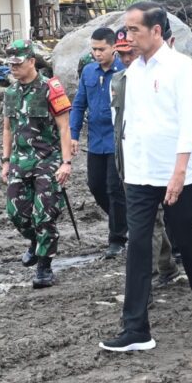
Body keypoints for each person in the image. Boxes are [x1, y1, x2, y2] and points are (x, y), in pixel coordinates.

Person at [100, 2, 192, 352]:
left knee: (184, 236)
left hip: (174, 173)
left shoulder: (182, 69)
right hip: (140, 174)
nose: (128, 36)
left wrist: (180, 172)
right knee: (138, 245)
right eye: (127, 29)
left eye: (134, 30)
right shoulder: (133, 71)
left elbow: (187, 124)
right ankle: (136, 328)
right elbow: (130, 125)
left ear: (156, 31)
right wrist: (128, 172)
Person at [1, 39, 73, 289]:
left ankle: (44, 267)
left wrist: (66, 163)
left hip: (48, 161)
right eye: (10, 64)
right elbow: (8, 128)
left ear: (32, 61)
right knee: (16, 213)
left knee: (44, 215)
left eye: (18, 63)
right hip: (20, 162)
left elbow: (65, 127)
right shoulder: (10, 92)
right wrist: (5, 161)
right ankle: (34, 243)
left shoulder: (51, 88)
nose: (13, 68)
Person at [110, 28, 180, 287]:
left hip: (157, 161)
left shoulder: (163, 74)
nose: (126, 59)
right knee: (150, 221)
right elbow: (118, 125)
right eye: (121, 54)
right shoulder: (118, 80)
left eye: (130, 53)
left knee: (150, 222)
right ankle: (166, 265)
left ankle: (145, 281)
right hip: (129, 160)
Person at [70, 28, 126, 259]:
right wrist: (73, 134)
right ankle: (123, 221)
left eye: (101, 49)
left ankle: (117, 238)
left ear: (113, 47)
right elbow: (79, 104)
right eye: (94, 49)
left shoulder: (124, 71)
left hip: (117, 140)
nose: (97, 53)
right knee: (95, 186)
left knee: (115, 188)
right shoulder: (89, 72)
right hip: (95, 140)